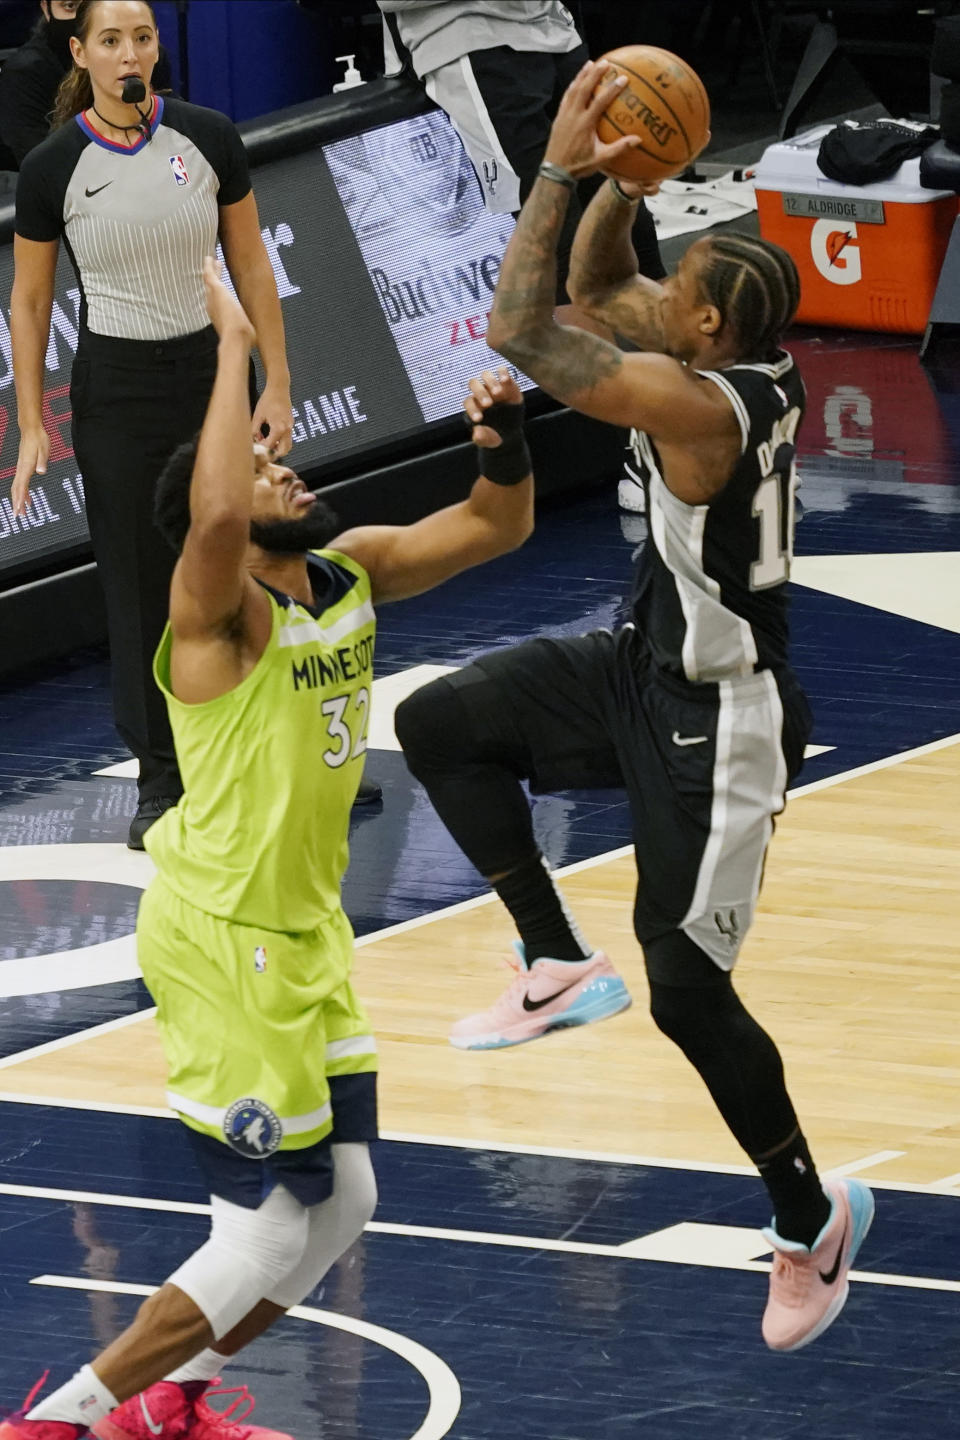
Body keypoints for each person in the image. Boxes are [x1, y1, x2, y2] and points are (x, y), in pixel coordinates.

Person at [0, 259, 534, 1440]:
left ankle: (164, 1408)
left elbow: (501, 522)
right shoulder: (217, 623)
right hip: (220, 933)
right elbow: (219, 513)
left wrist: (504, 438)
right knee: (268, 1231)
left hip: (301, 932)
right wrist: (234, 343)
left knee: (346, 1200)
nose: (285, 467)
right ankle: (67, 1420)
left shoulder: (347, 576)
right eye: (259, 465)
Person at [395, 61, 874, 1352]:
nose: (651, 303)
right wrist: (626, 172)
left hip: (723, 719)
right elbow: (600, 292)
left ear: (707, 335)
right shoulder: (709, 357)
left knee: (687, 989)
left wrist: (558, 161)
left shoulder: (701, 412)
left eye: (678, 297)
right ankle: (553, 960)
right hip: (638, 667)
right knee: (442, 725)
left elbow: (526, 326)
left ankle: (807, 1216)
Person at [9, 0, 295, 850]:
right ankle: (163, 776)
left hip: (213, 371)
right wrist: (31, 421)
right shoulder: (54, 165)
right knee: (138, 582)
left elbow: (250, 259)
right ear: (81, 53)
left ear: (156, 46)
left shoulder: (207, 137)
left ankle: (277, 745)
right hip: (118, 387)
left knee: (257, 556)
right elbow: (28, 302)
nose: (129, 53)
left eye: (141, 37)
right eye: (110, 40)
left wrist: (276, 380)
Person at [378, 0, 666, 517]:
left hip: (553, 27)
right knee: (561, 246)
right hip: (472, 42)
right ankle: (636, 450)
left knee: (632, 224)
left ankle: (691, 416)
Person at [0, 0, 171, 168]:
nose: (130, 56)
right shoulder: (25, 72)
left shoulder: (143, 58)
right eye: (70, 6)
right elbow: (41, 170)